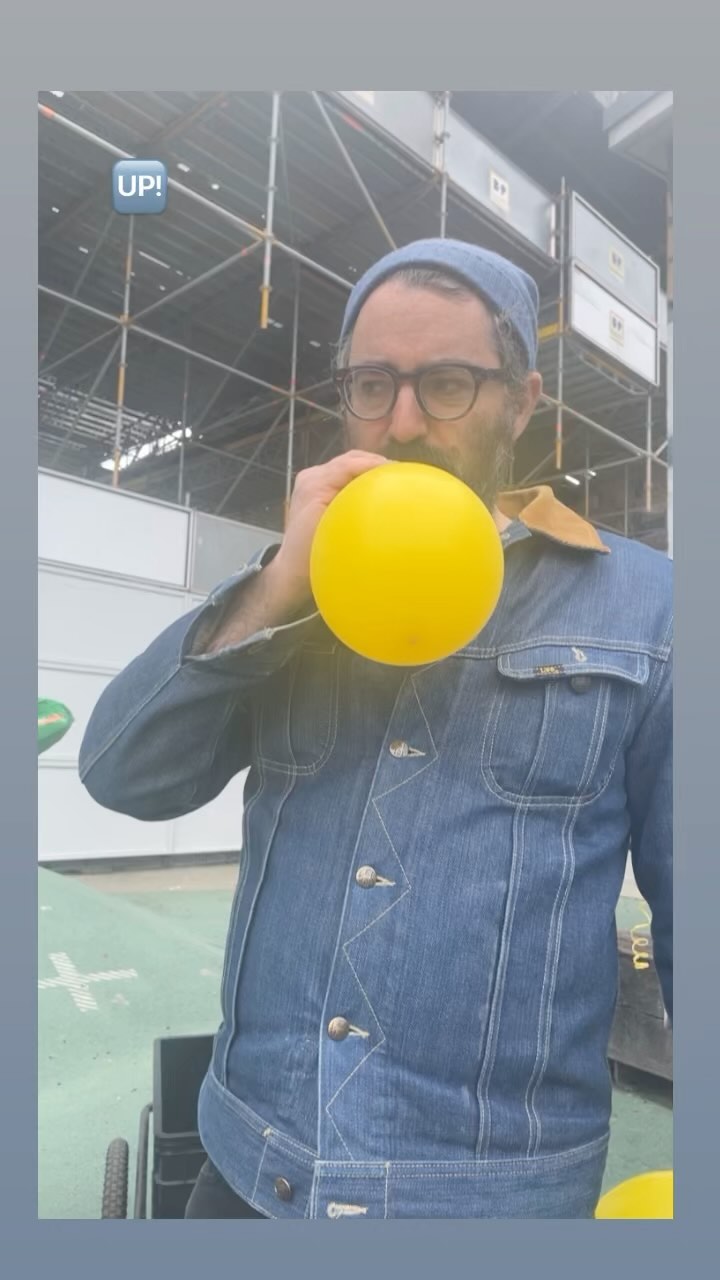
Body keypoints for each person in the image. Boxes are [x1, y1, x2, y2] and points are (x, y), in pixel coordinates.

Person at [79, 238, 672, 1220]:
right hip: (252, 1167)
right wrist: (275, 590)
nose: (402, 422)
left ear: (522, 402)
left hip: (487, 1204)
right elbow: (122, 772)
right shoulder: (297, 586)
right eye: (371, 384)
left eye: (446, 384)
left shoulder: (651, 610)